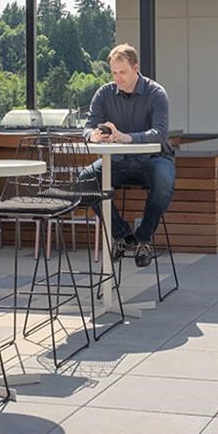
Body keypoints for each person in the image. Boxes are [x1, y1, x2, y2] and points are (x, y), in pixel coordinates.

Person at [81, 43, 174, 268]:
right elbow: (86, 128)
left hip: (153, 160)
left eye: (122, 72)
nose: (118, 78)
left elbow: (160, 133)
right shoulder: (104, 94)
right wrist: (94, 135)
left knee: (164, 181)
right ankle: (121, 235)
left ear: (136, 68)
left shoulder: (156, 93)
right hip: (118, 161)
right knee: (84, 181)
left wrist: (127, 137)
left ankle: (143, 238)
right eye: (114, 73)